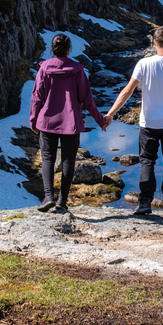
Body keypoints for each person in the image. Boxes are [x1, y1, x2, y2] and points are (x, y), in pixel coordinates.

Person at [105, 26, 163, 219]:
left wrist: (111, 114)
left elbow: (127, 91)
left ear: (154, 42)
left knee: (147, 162)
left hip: (149, 123)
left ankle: (145, 202)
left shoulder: (143, 64)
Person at [30, 33, 108, 212]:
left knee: (48, 159)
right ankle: (62, 201)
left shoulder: (44, 68)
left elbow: (36, 97)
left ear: (53, 49)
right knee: (68, 160)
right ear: (68, 49)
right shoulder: (77, 70)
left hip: (47, 121)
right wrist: (100, 120)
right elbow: (88, 100)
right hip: (70, 122)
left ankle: (48, 197)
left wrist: (33, 120)